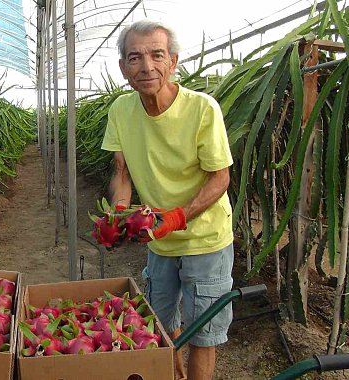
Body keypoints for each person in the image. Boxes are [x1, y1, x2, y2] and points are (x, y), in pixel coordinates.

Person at [101, 20, 234, 380]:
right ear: (122, 68)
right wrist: (117, 215)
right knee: (160, 323)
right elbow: (122, 173)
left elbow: (220, 177)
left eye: (156, 55)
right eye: (135, 57)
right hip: (158, 240)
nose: (146, 67)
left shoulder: (202, 109)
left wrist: (178, 217)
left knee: (202, 332)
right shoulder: (120, 111)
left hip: (204, 238)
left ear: (173, 61)